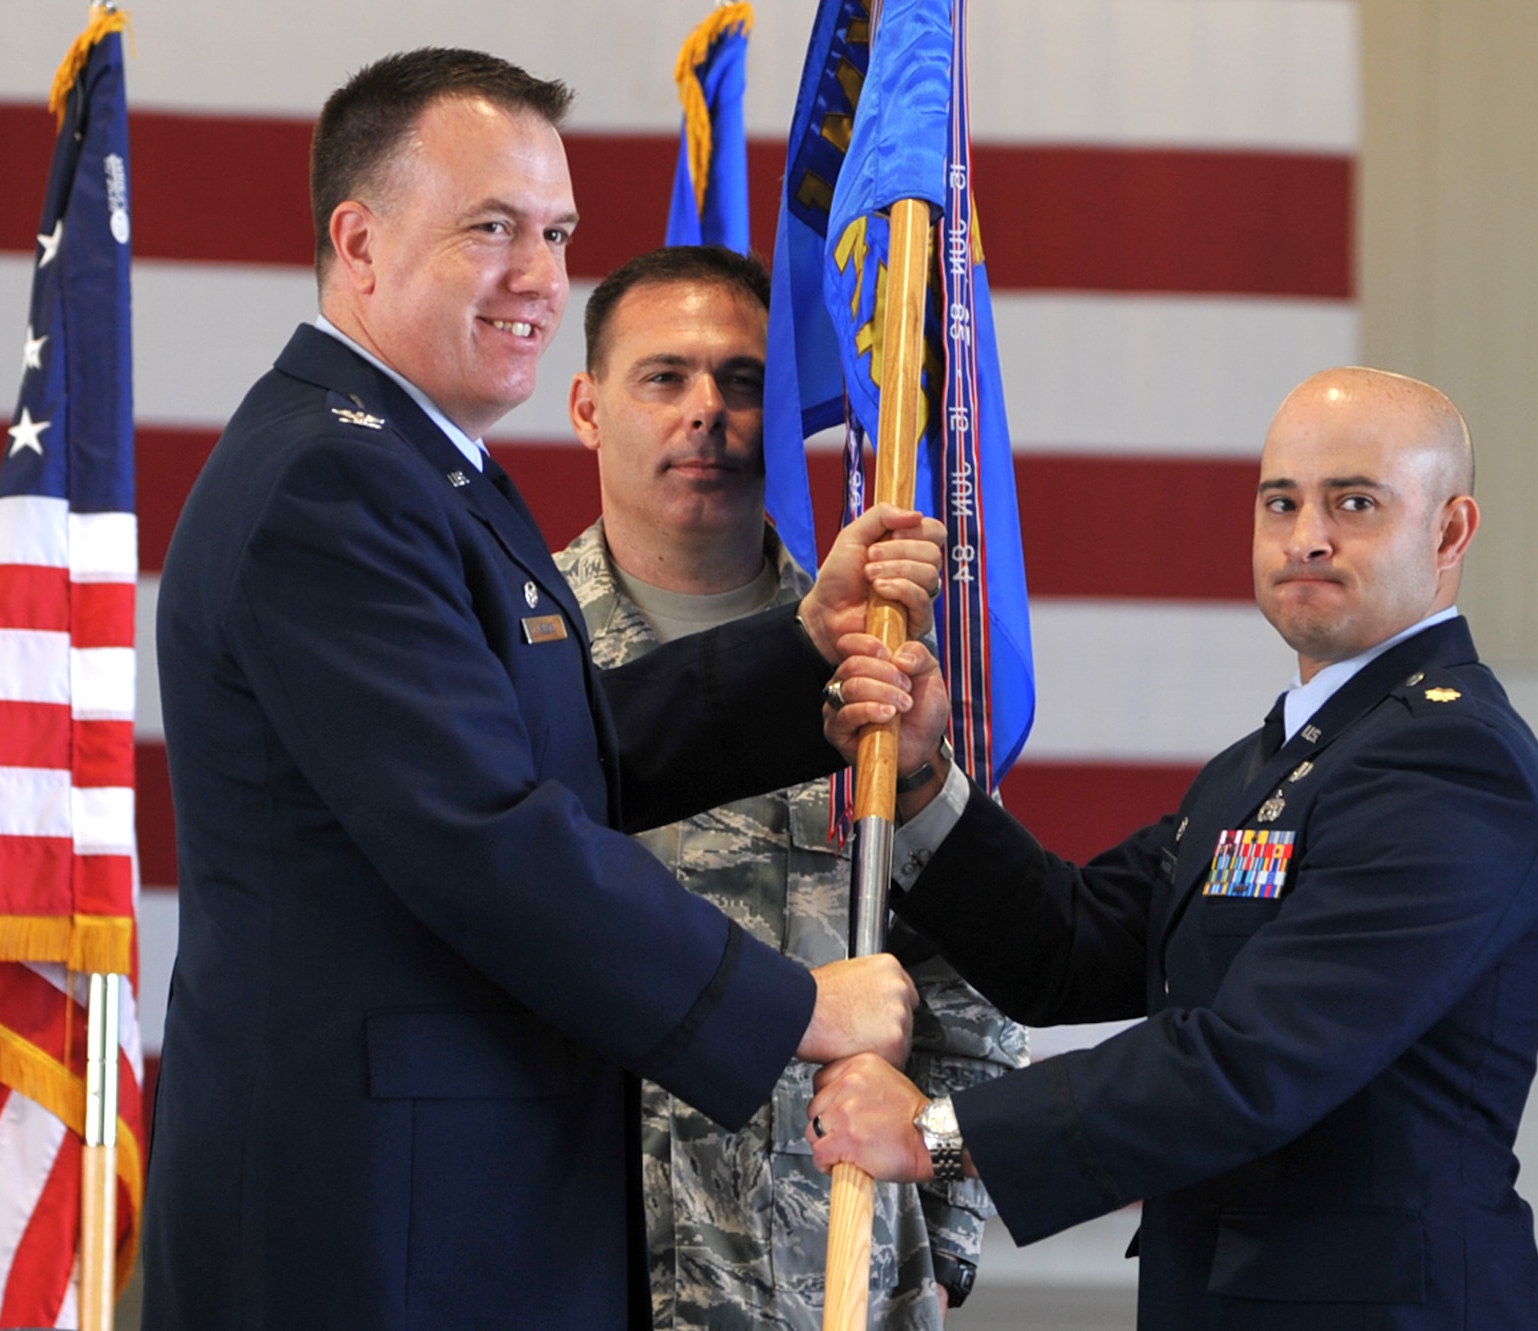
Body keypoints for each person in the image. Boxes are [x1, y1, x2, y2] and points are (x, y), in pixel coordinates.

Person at [144, 50, 947, 1330]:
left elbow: (546, 750)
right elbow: (483, 835)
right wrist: (791, 1003)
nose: (539, 276)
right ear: (357, 242)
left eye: (557, 232)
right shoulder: (331, 484)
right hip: (376, 1223)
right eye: (491, 229)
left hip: (449, 1196)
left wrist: (803, 645)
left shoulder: (420, 464)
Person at [809, 367, 1538, 1330]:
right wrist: (924, 779)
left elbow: (1257, 1059)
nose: (1308, 534)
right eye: (1281, 501)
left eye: (1356, 502)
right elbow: (1073, 945)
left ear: (1451, 529)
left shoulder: (1451, 762)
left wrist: (938, 1133)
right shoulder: (1265, 766)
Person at [552, 245, 1026, 1328]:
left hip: (826, 1284)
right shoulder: (507, 662)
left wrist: (940, 1243)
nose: (706, 412)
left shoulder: (877, 668)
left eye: (745, 380)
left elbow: (977, 975)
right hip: (568, 1272)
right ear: (586, 406)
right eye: (662, 377)